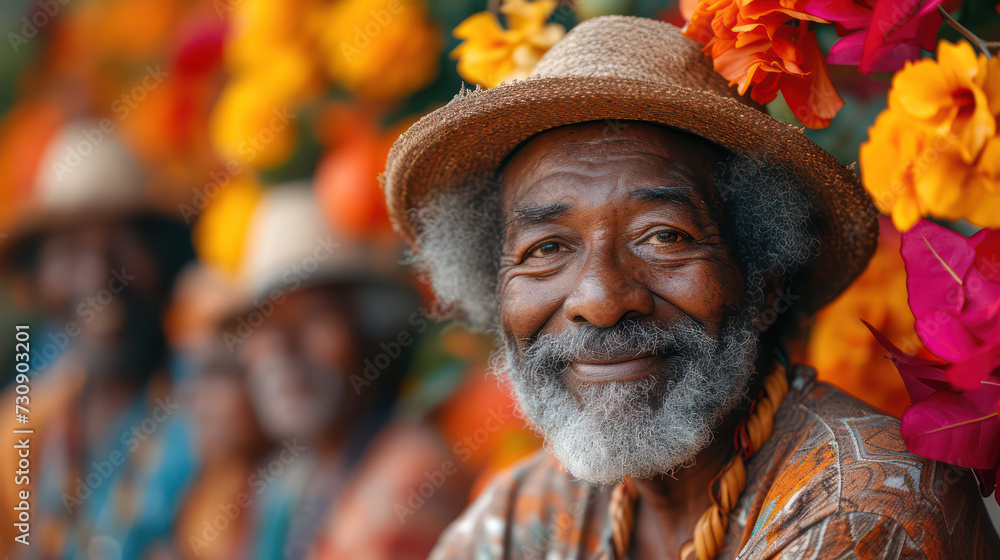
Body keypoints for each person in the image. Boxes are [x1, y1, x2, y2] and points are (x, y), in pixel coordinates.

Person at [380, 16, 1000, 559]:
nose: (599, 301)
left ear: (762, 280)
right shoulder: (527, 513)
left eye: (664, 237)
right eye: (546, 249)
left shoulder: (864, 507)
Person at [217, 183, 470, 560]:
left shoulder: (411, 481)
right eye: (263, 326)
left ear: (372, 330)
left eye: (313, 317)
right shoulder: (288, 481)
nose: (279, 350)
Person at [0, 119, 195, 558]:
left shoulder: (212, 414)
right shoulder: (23, 431)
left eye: (123, 245)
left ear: (163, 258)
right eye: (69, 252)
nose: (97, 275)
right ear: (39, 280)